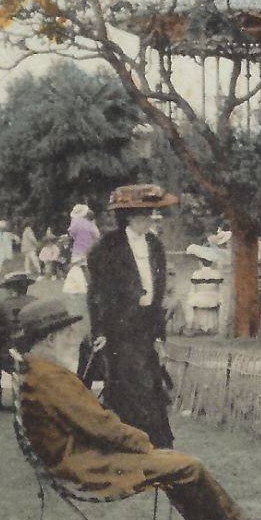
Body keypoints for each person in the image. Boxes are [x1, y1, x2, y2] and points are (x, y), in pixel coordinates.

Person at [14, 296, 261, 520]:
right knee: (188, 466)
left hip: (78, 458)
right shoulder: (50, 377)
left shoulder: (39, 371)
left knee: (175, 463)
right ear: (50, 339)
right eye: (68, 333)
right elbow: (101, 426)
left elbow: (91, 423)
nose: (74, 339)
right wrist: (142, 443)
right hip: (83, 465)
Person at [86, 184, 179, 450]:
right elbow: (97, 294)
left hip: (146, 326)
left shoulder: (154, 245)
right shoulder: (108, 247)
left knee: (151, 383)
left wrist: (159, 332)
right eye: (144, 214)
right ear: (129, 216)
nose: (150, 219)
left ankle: (150, 443)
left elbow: (158, 291)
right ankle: (143, 444)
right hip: (119, 327)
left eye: (151, 214)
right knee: (133, 384)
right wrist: (100, 331)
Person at [0, 264, 37, 410]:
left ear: (11, 288)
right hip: (36, 355)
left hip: (10, 357)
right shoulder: (37, 303)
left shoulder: (3, 305)